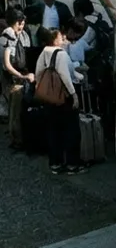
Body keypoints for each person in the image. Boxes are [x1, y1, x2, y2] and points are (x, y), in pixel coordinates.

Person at [35, 30, 82, 175]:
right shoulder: (61, 54)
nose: (64, 38)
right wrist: (74, 95)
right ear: (55, 40)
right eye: (61, 37)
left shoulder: (44, 52)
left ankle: (55, 163)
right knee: (71, 130)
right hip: (64, 97)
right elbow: (65, 76)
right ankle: (72, 164)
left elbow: (38, 73)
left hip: (50, 98)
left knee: (53, 130)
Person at [2, 9, 33, 152]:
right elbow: (7, 65)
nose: (21, 25)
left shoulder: (22, 35)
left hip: (20, 76)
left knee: (16, 109)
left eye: (22, 23)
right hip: (14, 78)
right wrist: (22, 76)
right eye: (19, 23)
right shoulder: (8, 38)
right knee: (15, 110)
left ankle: (18, 138)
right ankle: (17, 139)